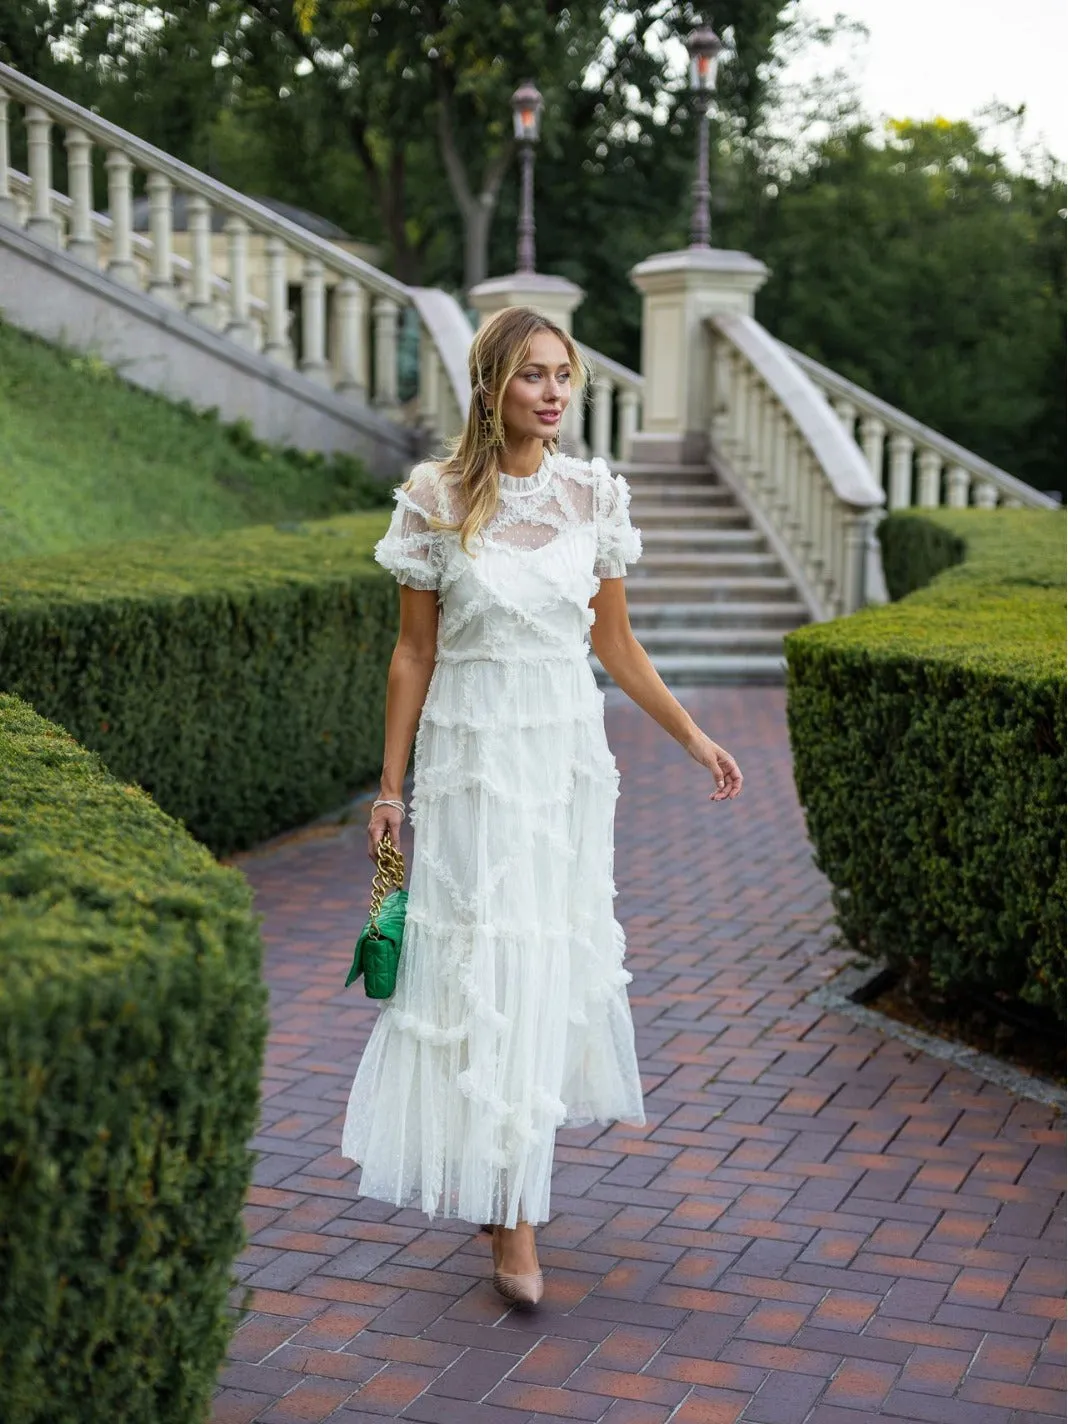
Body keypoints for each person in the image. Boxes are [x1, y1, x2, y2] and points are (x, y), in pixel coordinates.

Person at [341, 305, 743, 1307]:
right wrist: (391, 788)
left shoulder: (593, 496)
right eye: (533, 375)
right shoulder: (433, 500)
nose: (554, 392)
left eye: (564, 374)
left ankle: (509, 1179)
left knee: (540, 961)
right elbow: (413, 652)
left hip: (564, 764)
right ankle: (512, 1217)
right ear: (491, 387)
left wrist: (692, 735)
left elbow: (616, 644)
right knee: (483, 962)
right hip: (473, 764)